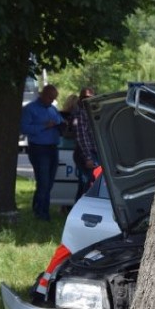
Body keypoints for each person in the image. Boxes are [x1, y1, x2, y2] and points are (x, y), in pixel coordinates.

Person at [20, 84, 64, 221]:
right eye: (50, 97)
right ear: (43, 95)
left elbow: (60, 121)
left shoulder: (53, 109)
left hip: (52, 147)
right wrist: (44, 126)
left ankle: (41, 208)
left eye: (54, 98)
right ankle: (41, 213)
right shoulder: (30, 109)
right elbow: (24, 128)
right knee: (43, 181)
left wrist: (62, 125)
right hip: (39, 148)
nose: (52, 101)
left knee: (49, 182)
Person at [72, 87, 98, 200]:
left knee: (91, 183)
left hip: (93, 152)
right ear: (81, 98)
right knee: (86, 184)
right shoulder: (80, 113)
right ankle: (78, 210)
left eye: (91, 97)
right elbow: (82, 137)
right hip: (85, 153)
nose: (88, 100)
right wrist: (88, 157)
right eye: (85, 97)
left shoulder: (91, 112)